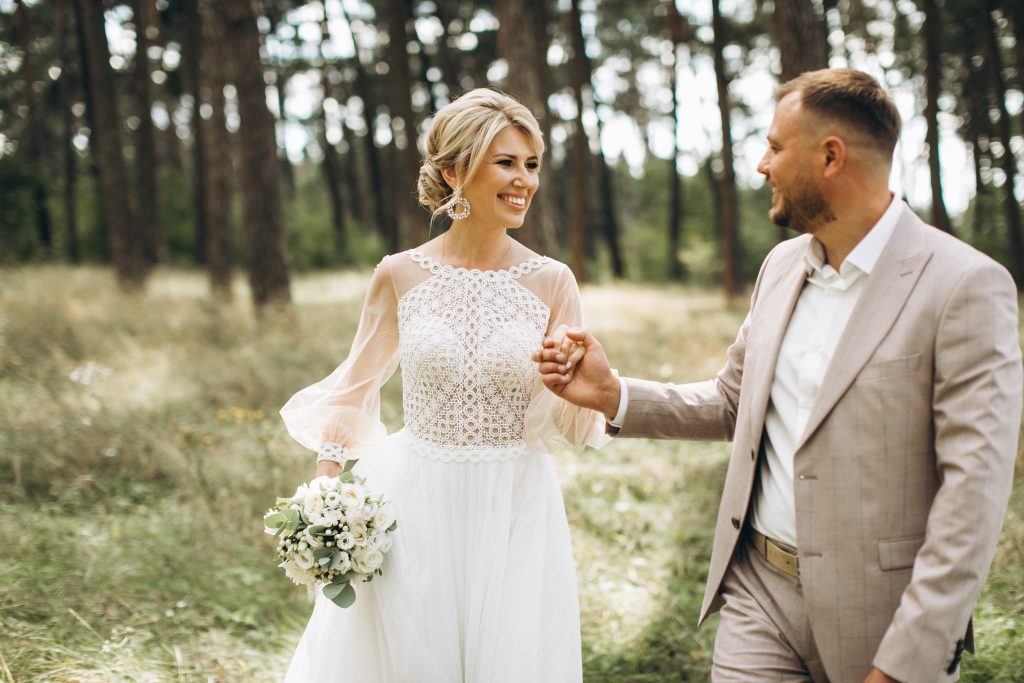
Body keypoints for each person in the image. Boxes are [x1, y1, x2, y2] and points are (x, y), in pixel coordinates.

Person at [533, 69, 1022, 683]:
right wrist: (611, 394)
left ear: (831, 157)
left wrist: (907, 663)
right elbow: (732, 403)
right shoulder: (783, 266)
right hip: (759, 594)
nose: (762, 165)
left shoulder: (964, 285)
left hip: (884, 614)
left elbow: (972, 497)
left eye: (774, 147)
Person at [278, 88, 605, 682]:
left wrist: (581, 379)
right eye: (506, 162)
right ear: (454, 172)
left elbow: (574, 426)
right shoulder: (399, 273)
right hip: (414, 500)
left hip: (514, 504)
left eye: (532, 164)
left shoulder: (554, 282)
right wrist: (324, 497)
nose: (525, 180)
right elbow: (354, 388)